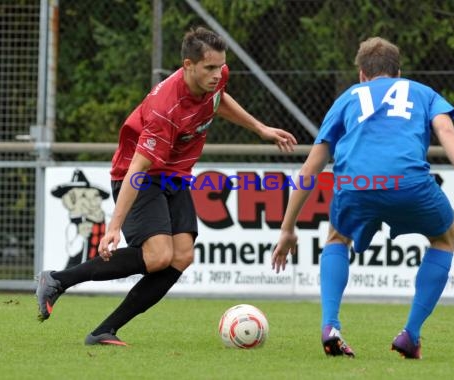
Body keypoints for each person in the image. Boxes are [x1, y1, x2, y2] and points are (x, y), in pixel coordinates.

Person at [36, 26, 297, 346]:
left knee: (182, 256)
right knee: (159, 256)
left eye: (220, 67)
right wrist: (113, 227)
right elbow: (137, 167)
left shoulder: (217, 76)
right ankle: (58, 280)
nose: (218, 74)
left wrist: (260, 128)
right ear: (188, 65)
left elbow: (219, 99)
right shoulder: (166, 109)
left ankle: (105, 330)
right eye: (209, 68)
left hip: (174, 175)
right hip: (138, 177)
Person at [271, 36, 454, 359]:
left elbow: (312, 166)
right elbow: (447, 131)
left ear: (362, 75)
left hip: (356, 184)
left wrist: (287, 228)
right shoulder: (421, 92)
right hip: (409, 183)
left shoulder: (348, 97)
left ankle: (330, 326)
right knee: (445, 236)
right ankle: (410, 334)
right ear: (399, 72)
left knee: (337, 237)